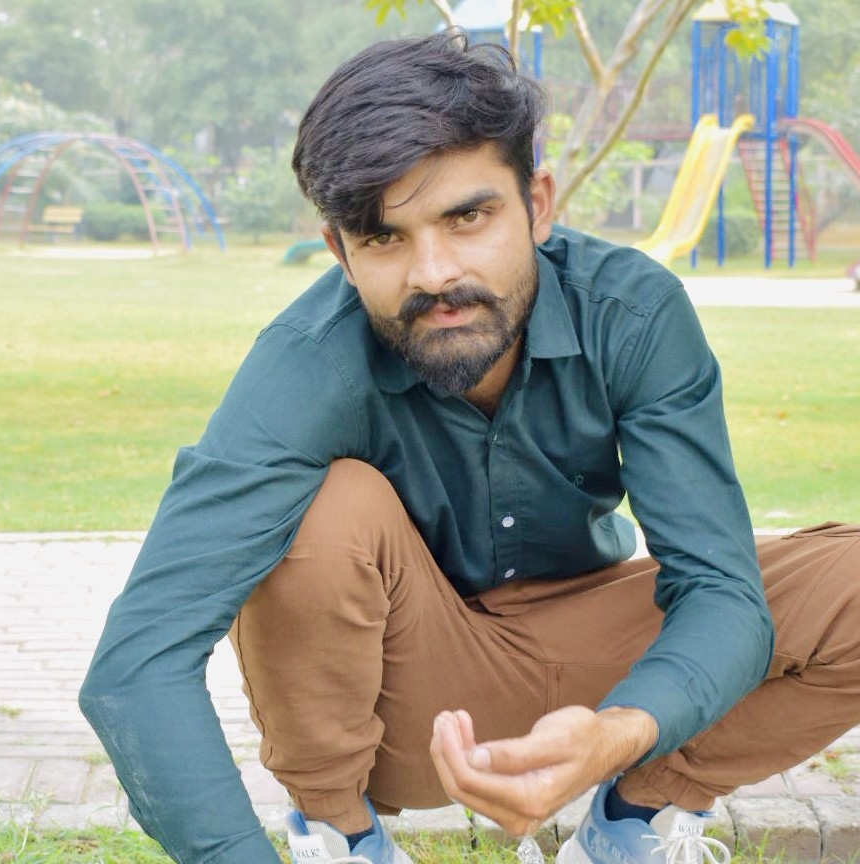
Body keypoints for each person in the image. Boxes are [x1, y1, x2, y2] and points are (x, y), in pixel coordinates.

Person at [79, 32, 860, 864]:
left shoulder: (632, 314)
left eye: (467, 217)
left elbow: (719, 591)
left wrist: (621, 731)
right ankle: (342, 838)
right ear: (340, 252)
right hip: (410, 699)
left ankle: (630, 823)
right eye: (384, 237)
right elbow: (137, 664)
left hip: (606, 652)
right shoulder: (306, 365)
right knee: (325, 509)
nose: (434, 273)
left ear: (539, 204)